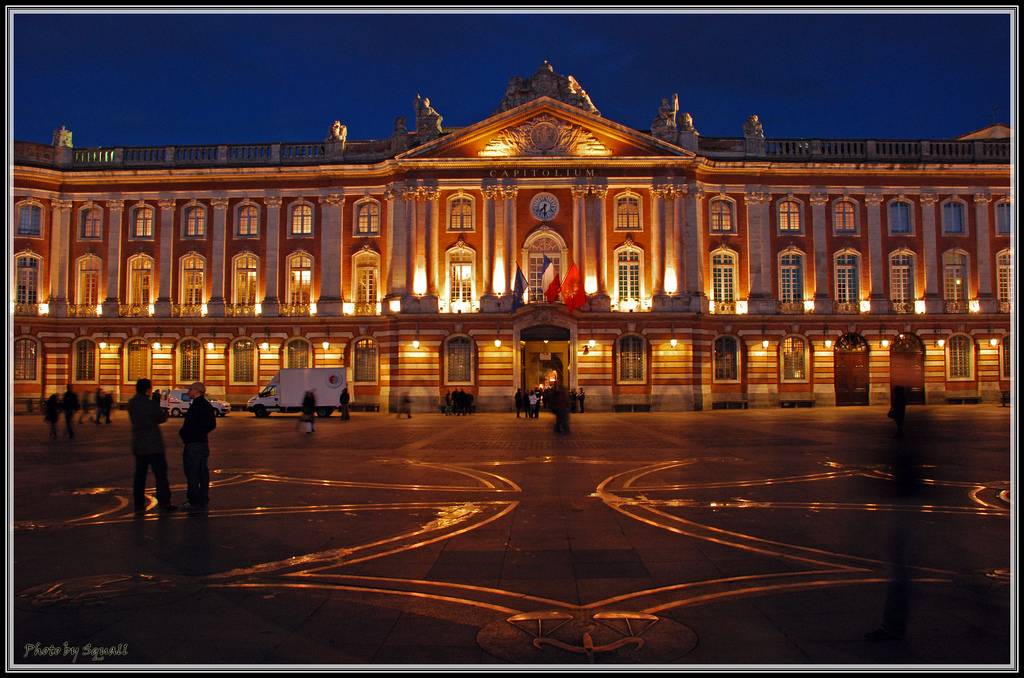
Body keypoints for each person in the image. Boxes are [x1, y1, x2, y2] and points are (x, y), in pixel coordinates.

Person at [128, 378, 176, 513]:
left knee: (139, 476)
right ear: (147, 389)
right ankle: (164, 502)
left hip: (139, 444)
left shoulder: (131, 403)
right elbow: (161, 417)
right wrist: (157, 403)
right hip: (154, 445)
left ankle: (138, 504)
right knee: (161, 476)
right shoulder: (149, 404)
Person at [179, 382, 216, 512]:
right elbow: (211, 424)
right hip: (202, 443)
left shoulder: (197, 406)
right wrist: (202, 432)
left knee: (192, 473)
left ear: (197, 391)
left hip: (194, 443)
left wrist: (188, 434)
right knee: (202, 472)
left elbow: (190, 425)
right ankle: (203, 498)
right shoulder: (206, 405)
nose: (188, 392)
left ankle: (194, 500)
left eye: (190, 390)